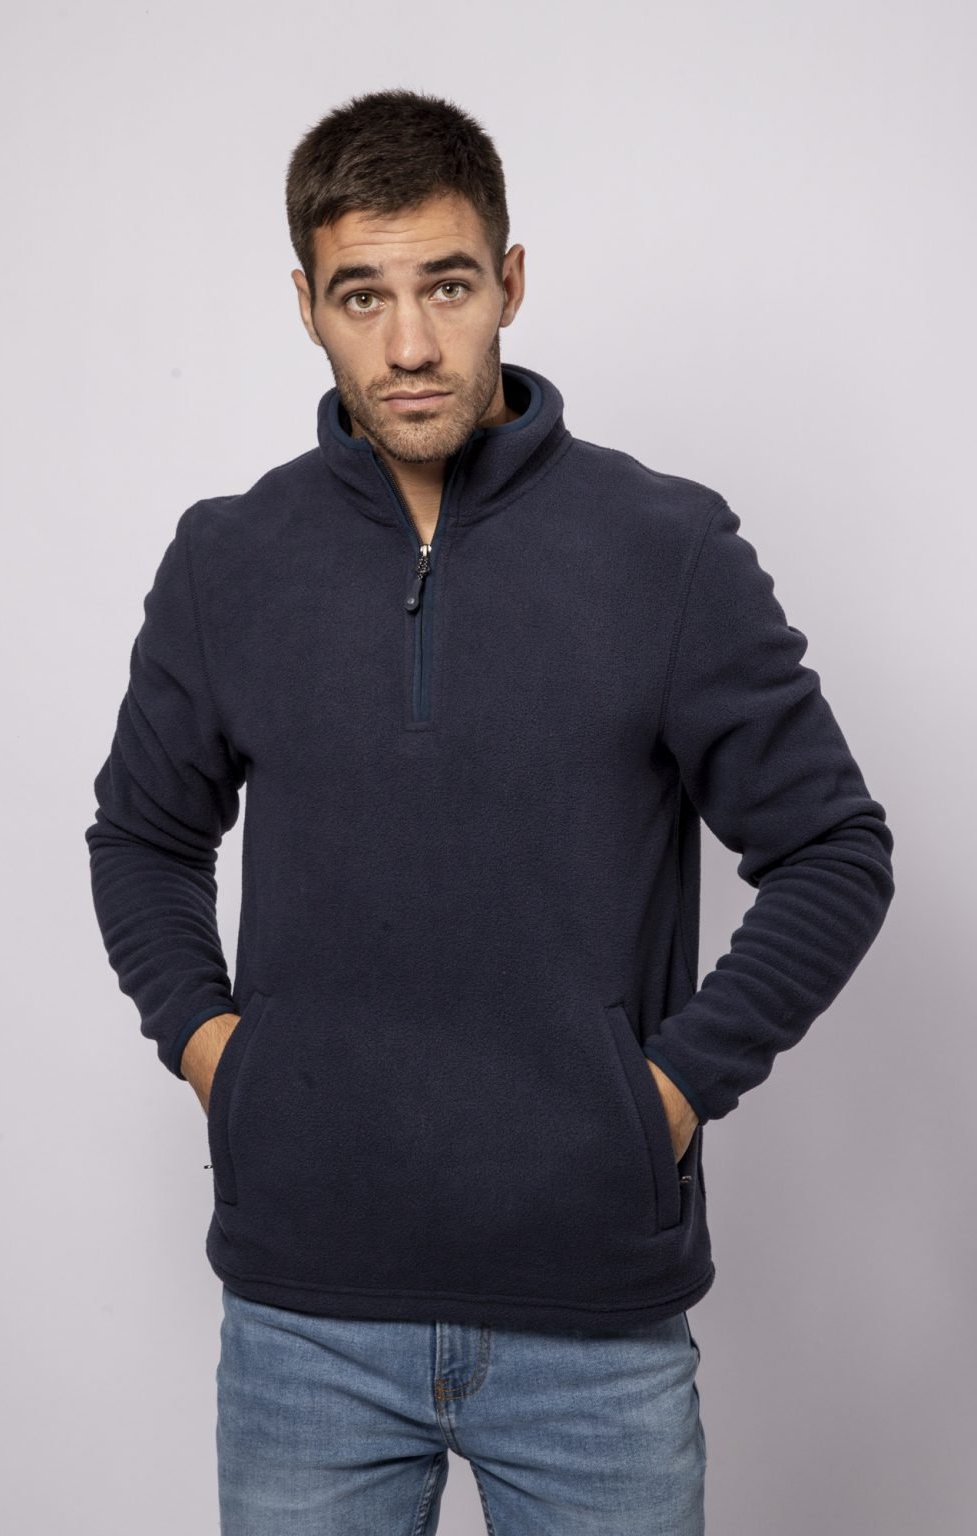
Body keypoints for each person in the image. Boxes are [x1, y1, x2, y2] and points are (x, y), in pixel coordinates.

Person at [84, 87, 895, 1535]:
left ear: (510, 282)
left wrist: (661, 1094)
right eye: (363, 295)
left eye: (447, 286)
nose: (409, 344)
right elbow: (143, 838)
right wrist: (221, 1058)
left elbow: (833, 849)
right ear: (306, 305)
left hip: (595, 1332)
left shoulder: (665, 549)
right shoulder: (229, 560)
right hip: (304, 1324)